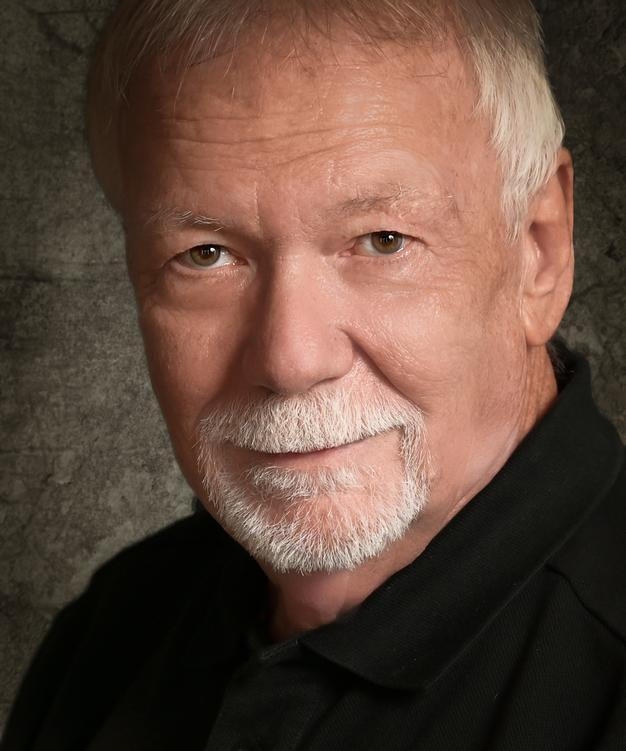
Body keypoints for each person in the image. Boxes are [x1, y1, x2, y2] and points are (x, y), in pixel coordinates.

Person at [2, 0, 625, 749]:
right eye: (205, 255)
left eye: (383, 240)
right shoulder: (114, 629)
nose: (291, 360)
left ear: (538, 252)